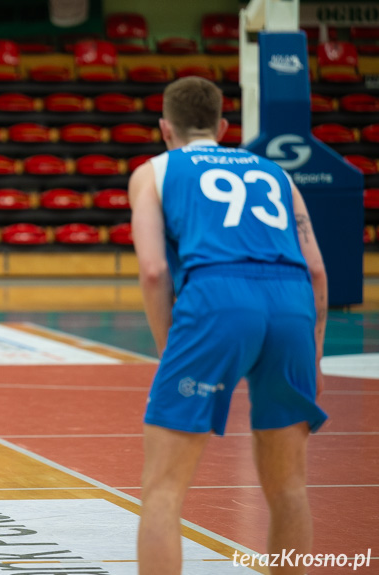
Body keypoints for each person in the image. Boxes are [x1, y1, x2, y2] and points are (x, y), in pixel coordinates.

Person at [128, 77, 328, 575]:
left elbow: (154, 271)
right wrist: (316, 356)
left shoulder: (154, 170)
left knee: (163, 489)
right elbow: (318, 270)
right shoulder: (276, 172)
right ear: (222, 126)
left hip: (218, 296)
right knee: (289, 488)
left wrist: (166, 348)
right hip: (292, 301)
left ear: (164, 128)